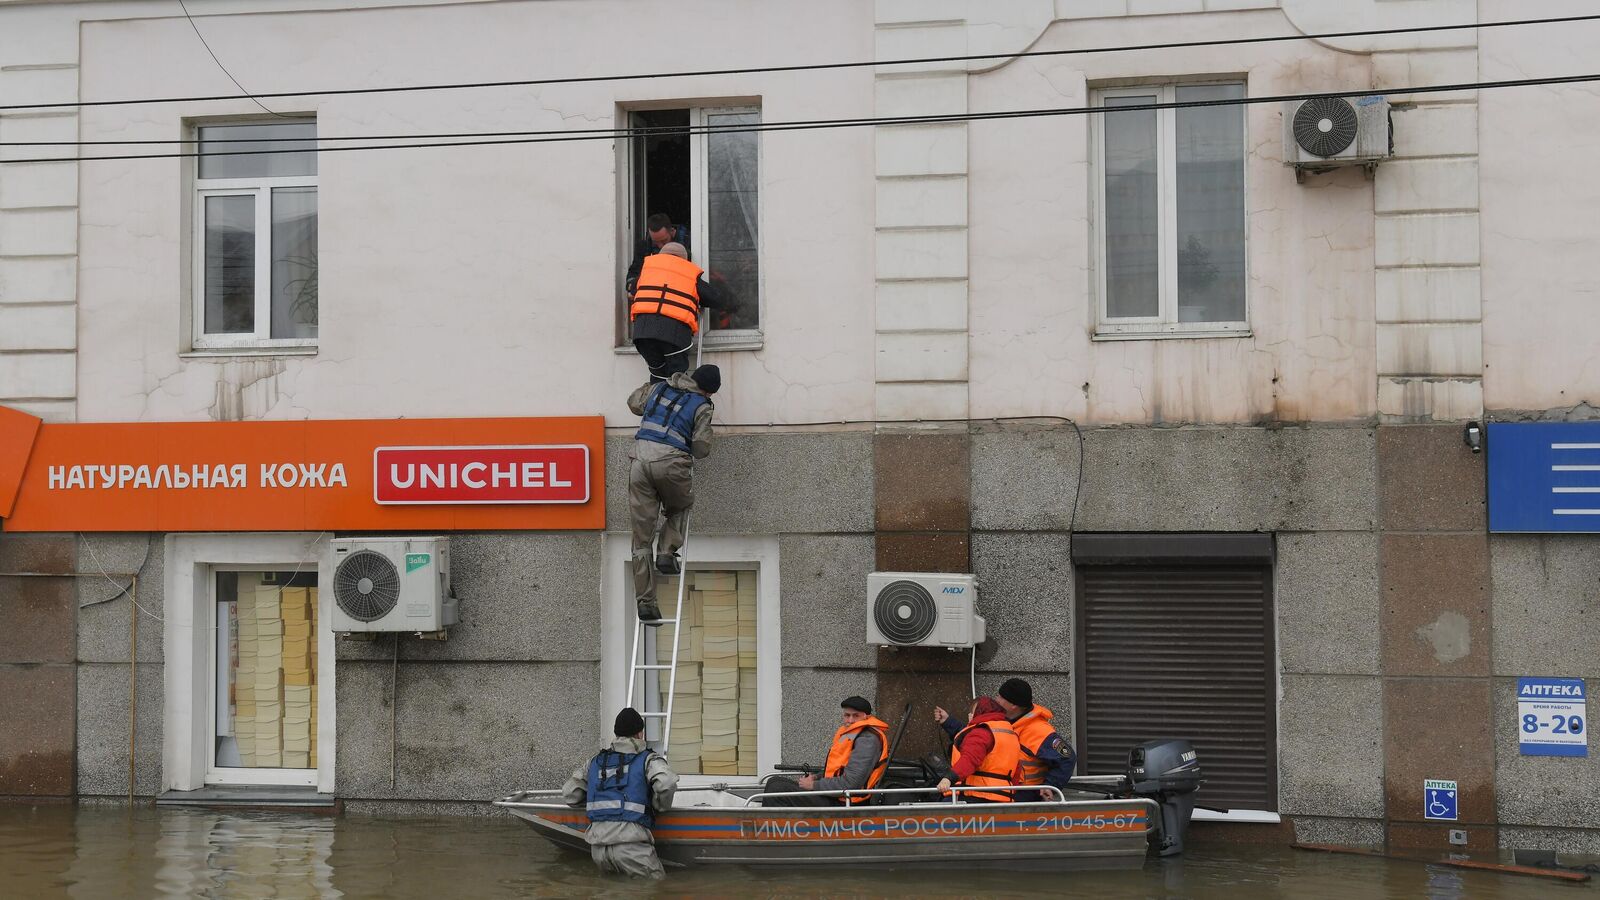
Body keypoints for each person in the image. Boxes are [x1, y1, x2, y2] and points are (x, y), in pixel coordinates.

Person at [627, 363, 720, 624]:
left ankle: (645, 604)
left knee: (641, 539)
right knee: (680, 506)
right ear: (709, 391)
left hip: (639, 462)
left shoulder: (659, 388)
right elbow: (701, 448)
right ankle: (667, 554)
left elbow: (633, 402)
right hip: (671, 463)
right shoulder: (702, 405)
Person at [562, 707, 679, 879]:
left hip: (599, 851)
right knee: (654, 890)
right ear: (640, 734)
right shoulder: (647, 759)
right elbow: (666, 783)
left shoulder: (595, 762)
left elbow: (569, 794)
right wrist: (659, 806)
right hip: (632, 848)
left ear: (616, 734)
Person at [936, 677, 1076, 801]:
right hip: (1001, 792)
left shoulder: (1038, 730)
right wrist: (949, 722)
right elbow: (976, 740)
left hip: (1024, 796)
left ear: (1013, 705)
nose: (996, 700)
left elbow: (1067, 758)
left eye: (1000, 697)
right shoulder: (1004, 721)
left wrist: (1049, 786)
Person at [628, 242, 730, 383]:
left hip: (643, 335)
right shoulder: (689, 273)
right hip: (673, 336)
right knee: (677, 379)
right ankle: (676, 403)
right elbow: (716, 299)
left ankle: (657, 402)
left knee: (658, 375)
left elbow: (632, 291)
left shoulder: (646, 271)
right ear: (684, 259)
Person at [762, 696, 890, 807]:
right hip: (836, 795)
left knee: (777, 789)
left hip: (847, 802)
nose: (850, 720)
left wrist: (814, 785)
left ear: (866, 716)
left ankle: (770, 832)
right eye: (847, 715)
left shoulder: (867, 740)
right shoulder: (850, 734)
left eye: (856, 716)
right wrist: (816, 777)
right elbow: (837, 769)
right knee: (774, 781)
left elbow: (851, 783)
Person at [934, 696, 1020, 802]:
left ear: (980, 712)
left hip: (975, 795)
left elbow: (970, 759)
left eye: (973, 712)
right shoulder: (1009, 733)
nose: (970, 715)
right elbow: (1017, 770)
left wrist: (949, 778)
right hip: (1004, 798)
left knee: (938, 814)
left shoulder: (981, 732)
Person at [624, 213, 691, 295]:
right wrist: (633, 286)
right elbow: (632, 277)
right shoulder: (644, 247)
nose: (661, 246)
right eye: (655, 242)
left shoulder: (690, 243)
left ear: (672, 231)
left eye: (664, 241)